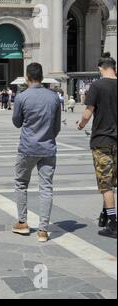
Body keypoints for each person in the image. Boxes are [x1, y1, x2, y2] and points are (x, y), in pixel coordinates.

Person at [12, 63, 61, 243]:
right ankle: (43, 230)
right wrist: (47, 137)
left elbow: (17, 122)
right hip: (48, 148)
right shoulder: (54, 97)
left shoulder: (22, 97)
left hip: (27, 148)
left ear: (27, 77)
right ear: (42, 77)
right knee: (46, 187)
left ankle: (22, 222)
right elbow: (56, 127)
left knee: (21, 183)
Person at [77, 52, 117, 239]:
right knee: (113, 181)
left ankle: (113, 224)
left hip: (102, 141)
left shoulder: (97, 86)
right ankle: (105, 214)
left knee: (105, 184)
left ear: (101, 68)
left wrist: (81, 125)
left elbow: (88, 112)